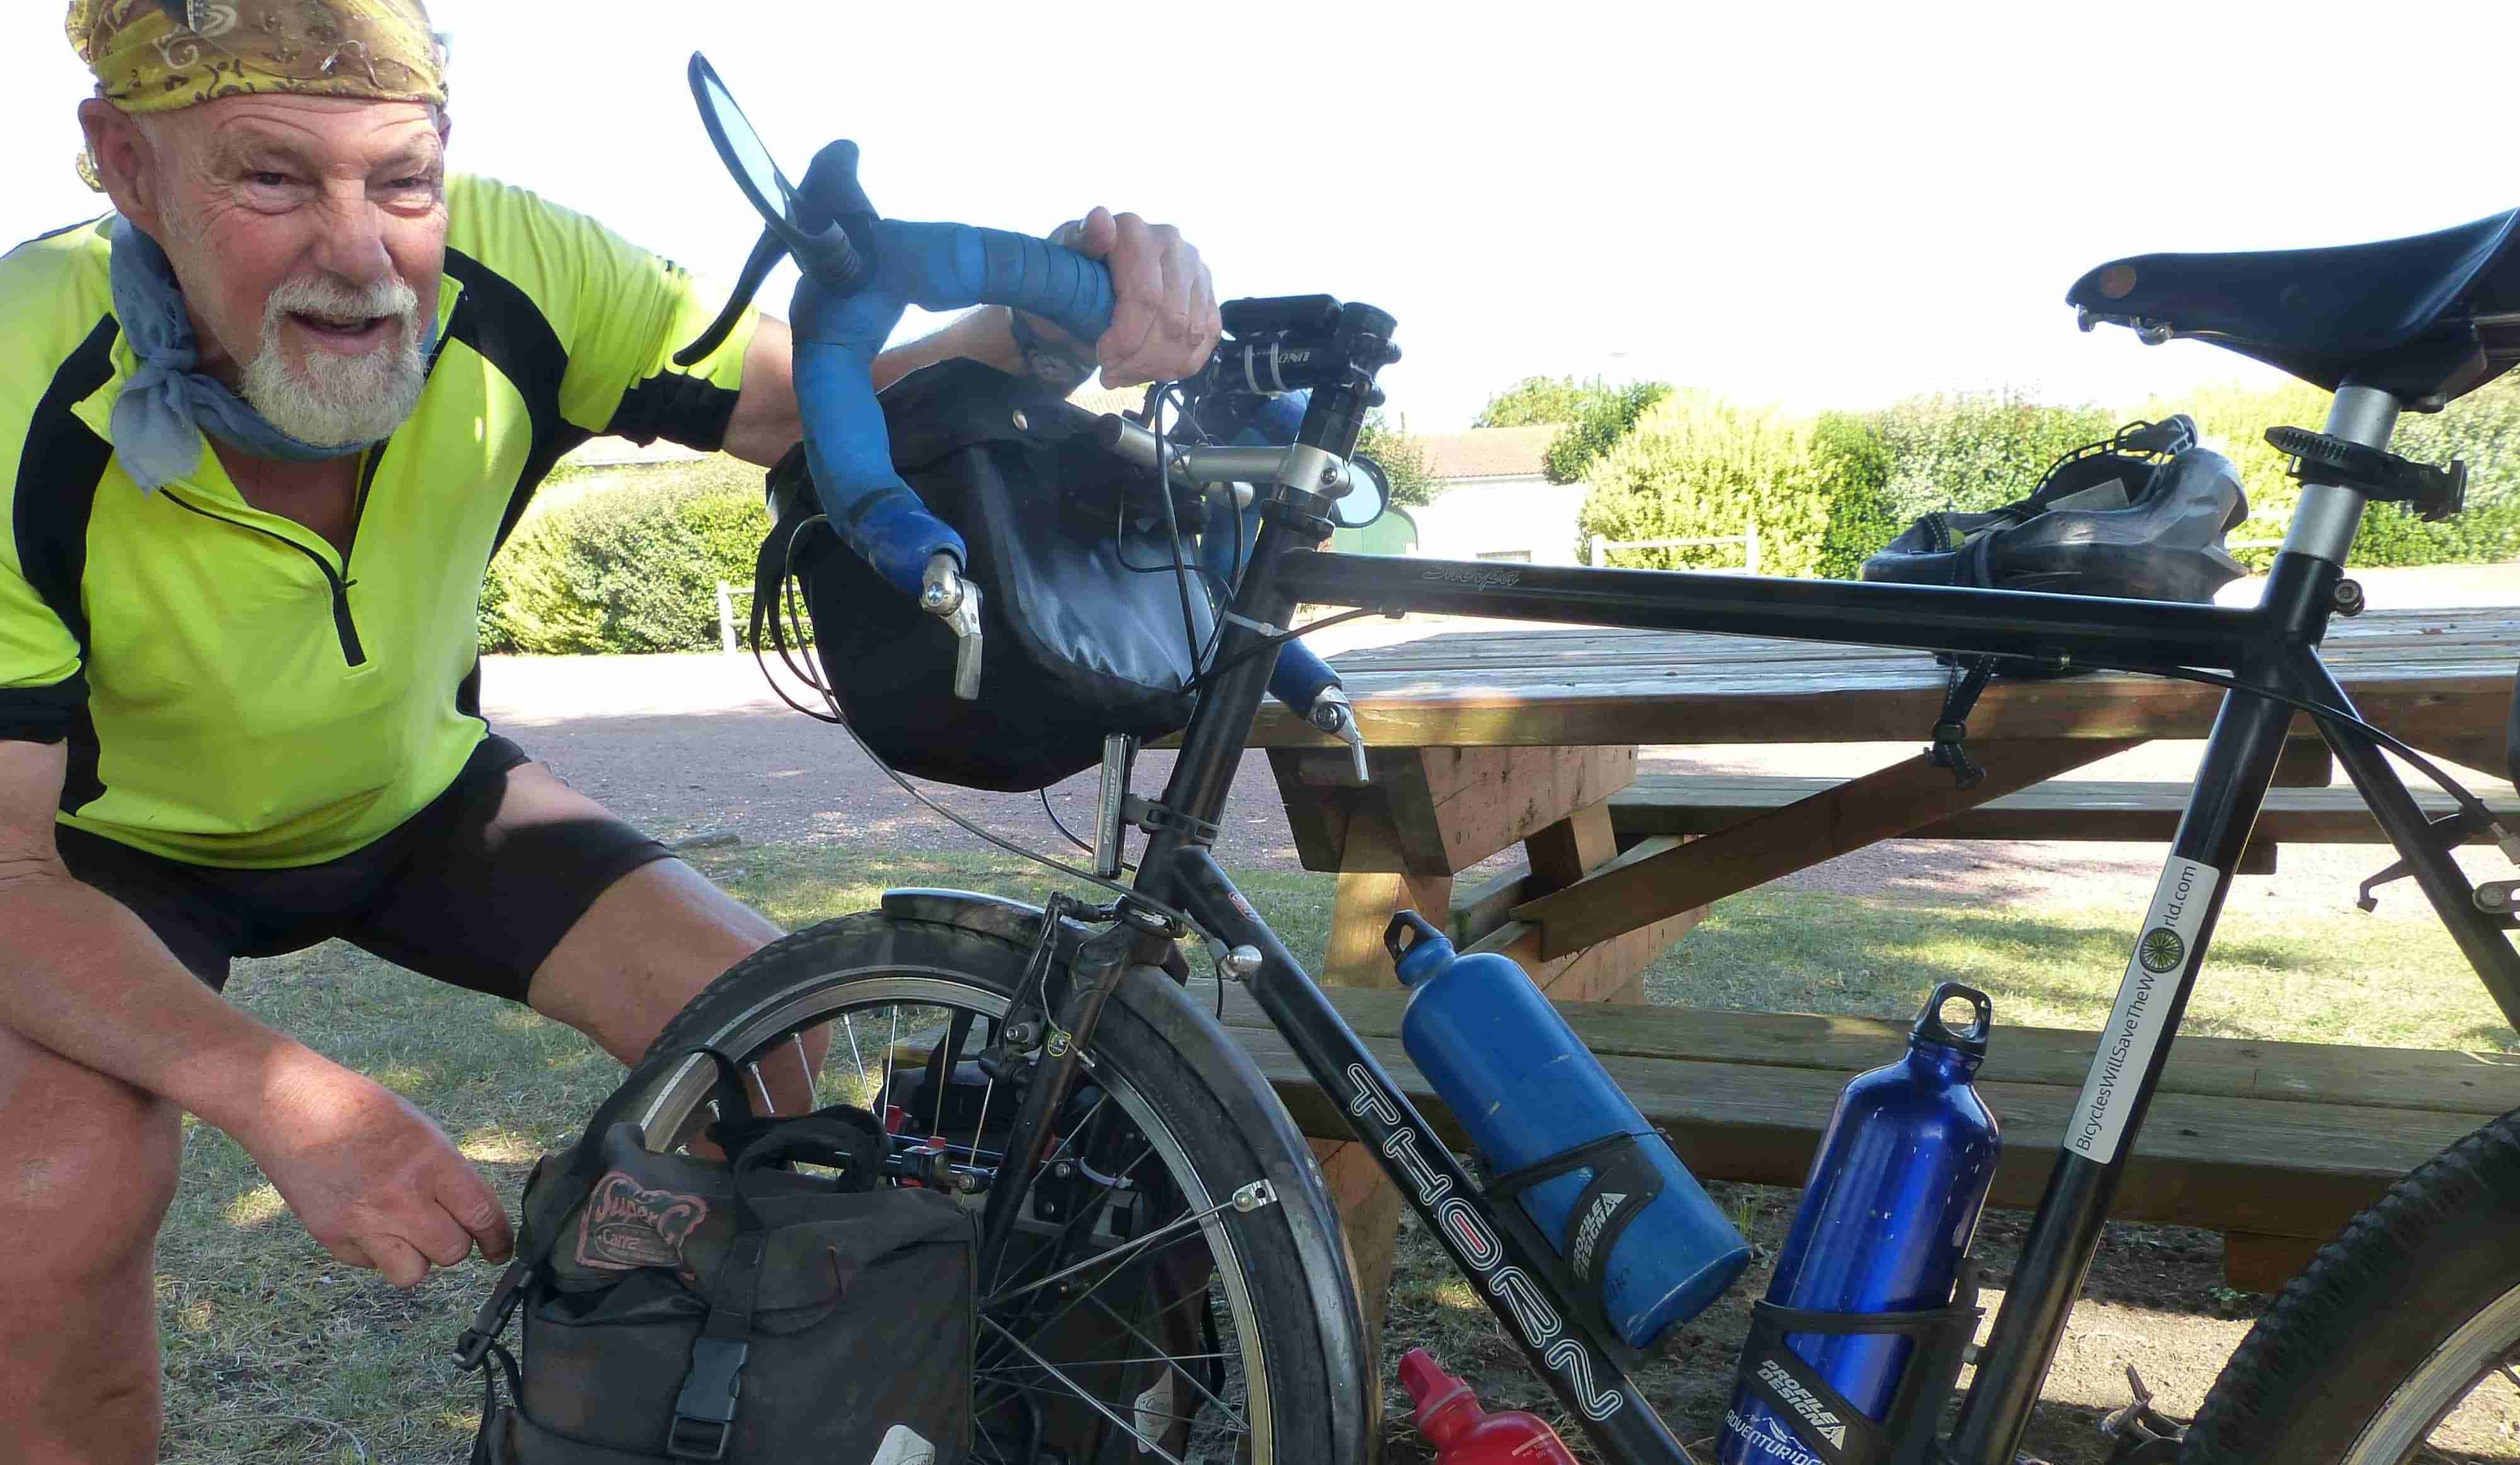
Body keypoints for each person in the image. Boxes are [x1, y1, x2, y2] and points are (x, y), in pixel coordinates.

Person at [0, 3, 1222, 1458]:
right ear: (126, 168)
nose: (358, 251)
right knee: (51, 1185)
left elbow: (824, 408)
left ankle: (661, 1413)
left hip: (413, 794)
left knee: (761, 1038)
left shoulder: (528, 269)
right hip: (101, 853)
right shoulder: (19, 368)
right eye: (270, 178)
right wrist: (290, 1097)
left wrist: (1037, 324)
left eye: (401, 181)